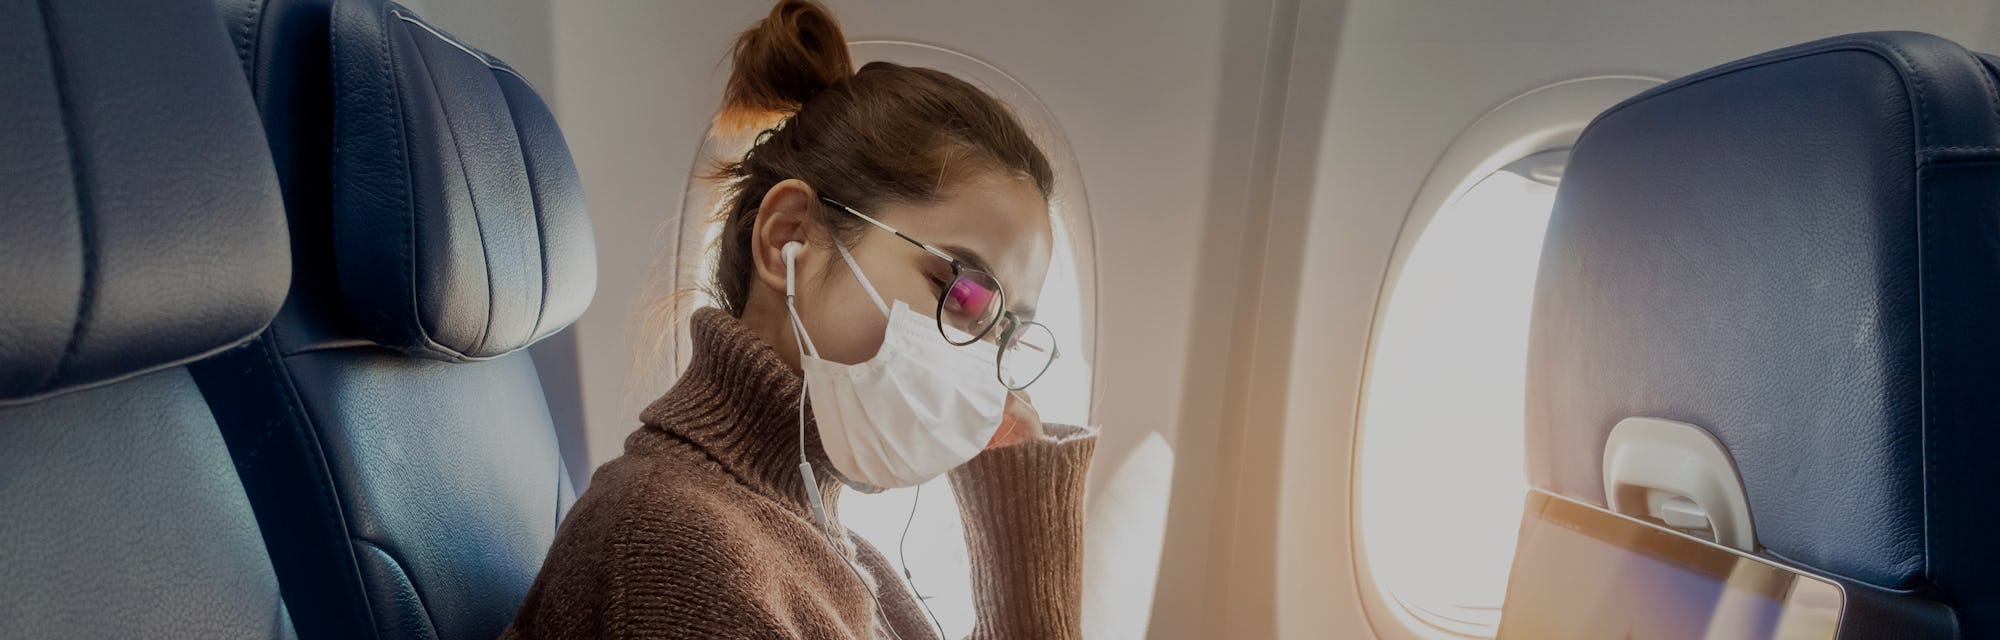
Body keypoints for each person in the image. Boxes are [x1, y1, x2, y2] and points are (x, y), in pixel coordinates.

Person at [502, 1, 1096, 638]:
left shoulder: (829, 542)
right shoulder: (674, 548)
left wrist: (1023, 523)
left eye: (1006, 331)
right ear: (789, 240)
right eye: (967, 295)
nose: (985, 369)